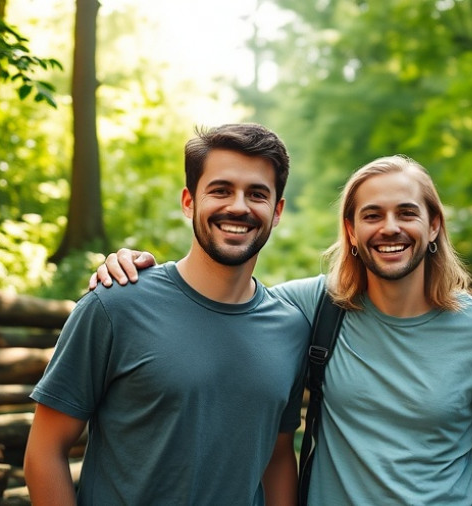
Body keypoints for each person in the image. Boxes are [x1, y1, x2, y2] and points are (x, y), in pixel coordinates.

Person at [92, 155, 472, 505]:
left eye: (407, 213)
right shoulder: (311, 307)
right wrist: (140, 269)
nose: (390, 228)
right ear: (350, 230)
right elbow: (221, 301)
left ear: (433, 226)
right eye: (371, 215)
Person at [24, 123, 310, 506]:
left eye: (256, 194)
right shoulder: (115, 305)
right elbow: (45, 451)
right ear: (189, 201)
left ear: (276, 212)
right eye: (221, 190)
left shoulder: (290, 328)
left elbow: (276, 458)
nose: (238, 206)